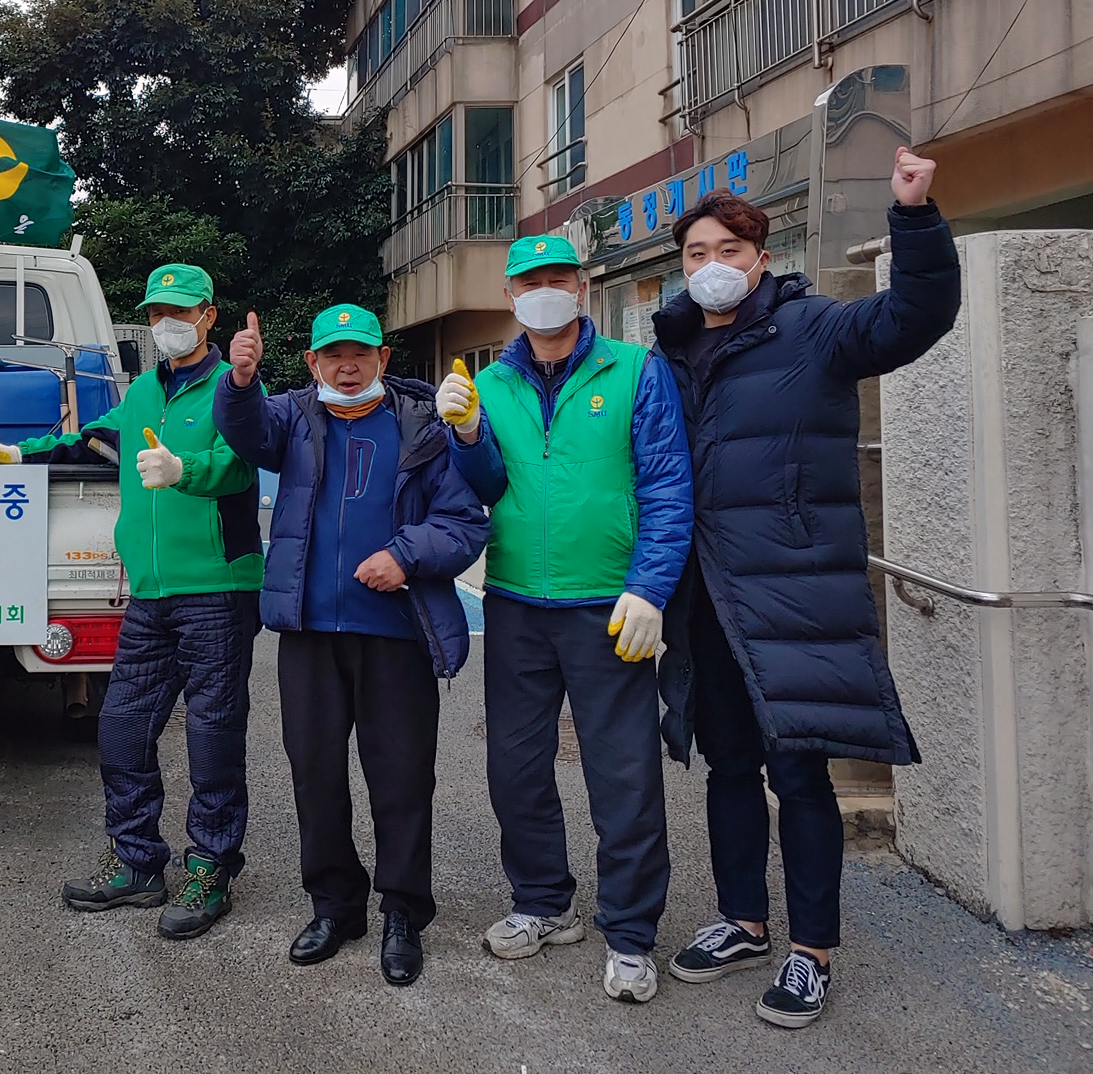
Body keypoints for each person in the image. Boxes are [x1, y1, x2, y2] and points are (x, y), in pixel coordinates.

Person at [654, 150, 959, 1029]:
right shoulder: (670, 347)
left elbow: (913, 317)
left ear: (759, 253)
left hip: (790, 587)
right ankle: (744, 919)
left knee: (801, 770)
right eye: (693, 252)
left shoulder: (815, 328)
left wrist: (914, 216)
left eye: (724, 248)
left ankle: (811, 950)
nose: (708, 264)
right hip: (703, 592)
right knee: (727, 764)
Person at [0, 263, 262, 940]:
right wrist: (15, 454)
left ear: (210, 315)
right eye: (155, 312)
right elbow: (83, 437)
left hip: (217, 588)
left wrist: (188, 471)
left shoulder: (233, 388)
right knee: (121, 728)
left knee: (214, 738)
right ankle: (136, 862)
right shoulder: (144, 392)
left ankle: (211, 868)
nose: (165, 324)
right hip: (151, 593)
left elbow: (244, 463)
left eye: (179, 311)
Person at [436, 234, 693, 1005]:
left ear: (580, 287)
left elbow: (668, 487)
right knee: (514, 769)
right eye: (529, 281)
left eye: (557, 277)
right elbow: (484, 489)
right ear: (510, 295)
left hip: (607, 604)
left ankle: (632, 933)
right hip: (515, 600)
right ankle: (544, 903)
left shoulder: (635, 370)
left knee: (624, 775)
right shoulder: (491, 381)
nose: (544, 290)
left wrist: (649, 588)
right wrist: (468, 434)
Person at [214, 303, 489, 985]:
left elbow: (464, 523)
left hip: (394, 632)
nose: (347, 365)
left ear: (383, 360)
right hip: (308, 631)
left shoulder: (422, 426)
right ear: (310, 363)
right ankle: (335, 905)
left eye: (360, 353)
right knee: (316, 776)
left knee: (400, 780)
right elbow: (244, 432)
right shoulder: (290, 416)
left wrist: (405, 554)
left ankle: (403, 912)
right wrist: (240, 380)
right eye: (332, 354)